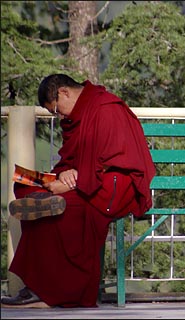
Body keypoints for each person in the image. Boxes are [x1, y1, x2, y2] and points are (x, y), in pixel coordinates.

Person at [1, 74, 156, 308]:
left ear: (64, 92)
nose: (60, 116)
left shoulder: (106, 107)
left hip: (113, 186)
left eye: (57, 110)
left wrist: (76, 180)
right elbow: (74, 157)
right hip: (88, 180)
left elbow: (117, 158)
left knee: (64, 210)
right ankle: (38, 287)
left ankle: (50, 292)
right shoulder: (82, 113)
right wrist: (65, 174)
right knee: (26, 189)